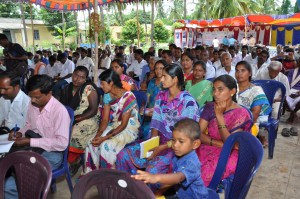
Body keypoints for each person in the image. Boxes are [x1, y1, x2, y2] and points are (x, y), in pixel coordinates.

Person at [116, 64, 199, 191]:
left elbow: (186, 136)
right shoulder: (161, 96)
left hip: (176, 146)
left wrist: (161, 148)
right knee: (123, 155)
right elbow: (156, 121)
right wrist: (152, 143)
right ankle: (129, 190)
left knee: (152, 170)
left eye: (165, 77)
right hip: (159, 141)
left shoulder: (188, 102)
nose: (161, 79)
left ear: (175, 79)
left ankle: (147, 194)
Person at [5, 75, 70, 198]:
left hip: (52, 153)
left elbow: (61, 143)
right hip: (35, 147)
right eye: (31, 96)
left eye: (37, 97)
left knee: (12, 184)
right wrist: (20, 132)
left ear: (49, 93)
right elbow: (29, 125)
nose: (33, 100)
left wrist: (29, 141)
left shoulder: (59, 111)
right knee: (7, 170)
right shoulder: (33, 103)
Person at [196, 75, 252, 186]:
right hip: (208, 146)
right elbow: (197, 133)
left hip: (231, 153)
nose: (215, 93)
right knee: (184, 164)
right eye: (214, 90)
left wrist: (219, 116)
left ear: (232, 91)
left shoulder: (241, 113)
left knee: (204, 175)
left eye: (220, 89)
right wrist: (216, 143)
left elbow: (230, 143)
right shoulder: (210, 107)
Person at [132, 118, 208, 199]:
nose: (175, 145)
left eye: (181, 141)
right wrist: (158, 192)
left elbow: (178, 178)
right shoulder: (180, 154)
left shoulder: (192, 163)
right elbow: (173, 178)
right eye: (173, 140)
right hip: (179, 193)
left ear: (195, 144)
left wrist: (155, 177)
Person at [83, 69, 140, 172]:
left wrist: (104, 138)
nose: (101, 86)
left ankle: (109, 176)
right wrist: (98, 135)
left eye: (103, 84)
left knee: (106, 146)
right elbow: (105, 120)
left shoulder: (128, 97)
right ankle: (93, 174)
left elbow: (123, 125)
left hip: (129, 127)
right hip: (115, 125)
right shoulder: (107, 96)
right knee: (91, 142)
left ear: (112, 83)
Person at [57, 66, 100, 175]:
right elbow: (63, 107)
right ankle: (62, 158)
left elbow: (93, 109)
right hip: (72, 117)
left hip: (89, 117)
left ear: (85, 79)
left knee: (75, 132)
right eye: (76, 75)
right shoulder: (66, 88)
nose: (77, 79)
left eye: (81, 77)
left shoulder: (89, 88)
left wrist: (76, 119)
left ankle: (75, 159)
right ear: (72, 74)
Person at [235, 61, 272, 146]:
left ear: (250, 73)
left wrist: (235, 124)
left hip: (248, 123)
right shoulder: (232, 88)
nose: (239, 73)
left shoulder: (256, 90)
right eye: (237, 71)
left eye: (243, 70)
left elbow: (253, 116)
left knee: (239, 142)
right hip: (230, 120)